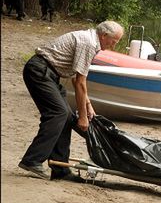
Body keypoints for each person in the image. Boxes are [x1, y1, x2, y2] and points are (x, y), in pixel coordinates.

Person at [18, 21, 124, 181]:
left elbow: (76, 80)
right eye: (114, 41)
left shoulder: (91, 42)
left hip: (50, 75)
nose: (113, 46)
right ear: (104, 36)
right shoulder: (88, 43)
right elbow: (80, 82)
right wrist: (82, 116)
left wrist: (88, 106)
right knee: (58, 113)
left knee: (66, 116)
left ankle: (60, 170)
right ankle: (32, 160)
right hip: (39, 71)